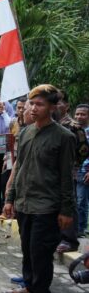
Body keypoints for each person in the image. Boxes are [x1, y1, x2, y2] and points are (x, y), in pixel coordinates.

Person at [3, 84, 75, 293]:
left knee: (40, 251)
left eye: (39, 104)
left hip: (47, 205)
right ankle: (29, 286)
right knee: (27, 247)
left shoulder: (64, 137)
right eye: (31, 103)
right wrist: (10, 198)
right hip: (24, 201)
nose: (33, 108)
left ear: (52, 107)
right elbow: (19, 167)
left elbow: (66, 176)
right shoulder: (25, 132)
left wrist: (66, 210)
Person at [56, 94, 89, 253]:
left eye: (59, 102)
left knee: (71, 203)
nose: (56, 105)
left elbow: (83, 151)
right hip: (51, 174)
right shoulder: (50, 124)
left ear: (67, 105)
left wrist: (72, 166)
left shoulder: (74, 126)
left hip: (69, 173)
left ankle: (69, 239)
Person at [74, 104, 89, 237]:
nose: (79, 116)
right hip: (73, 171)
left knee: (81, 201)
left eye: (83, 114)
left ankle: (80, 229)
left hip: (85, 172)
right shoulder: (73, 130)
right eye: (77, 114)